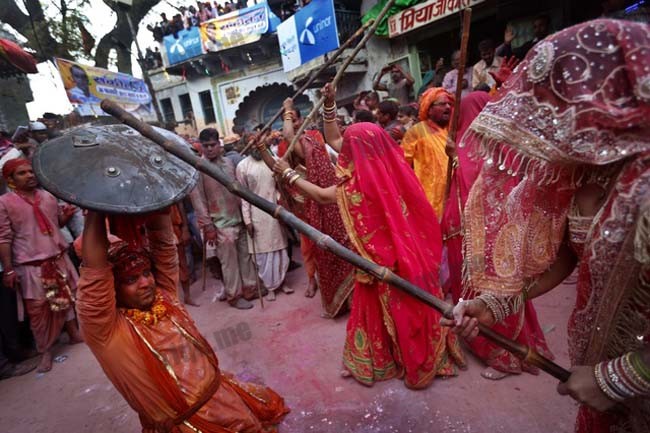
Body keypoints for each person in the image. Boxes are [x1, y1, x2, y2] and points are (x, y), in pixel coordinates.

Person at [442, 19, 650, 432]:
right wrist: (494, 304)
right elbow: (570, 255)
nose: (546, 119)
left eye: (556, 104)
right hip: (604, 379)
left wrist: (621, 376)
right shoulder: (584, 171)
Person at [271, 85, 465, 387]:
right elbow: (337, 139)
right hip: (408, 258)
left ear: (356, 149)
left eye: (348, 144)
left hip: (379, 265)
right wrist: (331, 105)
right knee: (405, 307)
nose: (342, 147)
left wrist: (286, 173)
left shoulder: (358, 185)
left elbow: (323, 196)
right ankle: (395, 355)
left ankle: (385, 359)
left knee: (385, 308)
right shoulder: (396, 168)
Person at [76, 209, 289, 432]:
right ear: (113, 289)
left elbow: (162, 241)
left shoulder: (165, 297)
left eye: (146, 273)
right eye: (131, 279)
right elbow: (95, 273)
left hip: (227, 401)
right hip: (188, 425)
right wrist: (95, 209)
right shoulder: (106, 331)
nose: (145, 283)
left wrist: (153, 184)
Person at [440, 91, 552, 380]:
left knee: (500, 294)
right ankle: (484, 345)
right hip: (464, 237)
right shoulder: (465, 142)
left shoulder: (495, 146)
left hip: (493, 239)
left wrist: (457, 158)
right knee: (475, 299)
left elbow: (483, 184)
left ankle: (508, 356)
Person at [259, 98, 354, 317]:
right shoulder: (291, 147)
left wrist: (287, 110)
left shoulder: (313, 140)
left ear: (301, 121)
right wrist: (262, 148)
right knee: (314, 252)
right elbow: (278, 167)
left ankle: (350, 299)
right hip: (307, 204)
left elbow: (292, 138)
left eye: (293, 120)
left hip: (328, 202)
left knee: (340, 251)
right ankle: (325, 290)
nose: (291, 124)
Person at [0, 158, 82, 373]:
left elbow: (56, 225)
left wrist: (65, 218)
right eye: (22, 173)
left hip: (56, 258)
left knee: (65, 298)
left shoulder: (47, 196)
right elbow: (4, 238)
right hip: (31, 265)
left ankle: (74, 334)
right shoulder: (5, 203)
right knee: (38, 309)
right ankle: (45, 351)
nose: (29, 175)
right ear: (10, 180)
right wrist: (8, 269)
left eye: (30, 171)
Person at [189, 128, 258, 310]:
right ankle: (234, 295)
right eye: (206, 146)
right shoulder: (198, 167)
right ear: (201, 147)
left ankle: (250, 288)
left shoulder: (229, 163)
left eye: (213, 145)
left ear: (219, 145)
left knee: (245, 256)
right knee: (229, 263)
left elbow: (239, 191)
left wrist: (246, 216)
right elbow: (198, 201)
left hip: (238, 218)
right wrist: (208, 226)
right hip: (219, 224)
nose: (210, 149)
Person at [236, 147, 290, 302]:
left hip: (275, 210)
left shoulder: (274, 161)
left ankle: (282, 282)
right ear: (246, 144)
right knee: (263, 254)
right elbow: (243, 196)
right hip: (256, 214)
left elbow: (281, 186)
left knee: (280, 250)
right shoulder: (243, 166)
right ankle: (270, 287)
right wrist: (247, 220)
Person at [401, 87, 452, 218]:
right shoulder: (416, 132)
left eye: (449, 104)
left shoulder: (453, 130)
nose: (448, 107)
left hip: (453, 193)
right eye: (442, 104)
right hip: (429, 195)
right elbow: (402, 165)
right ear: (429, 109)